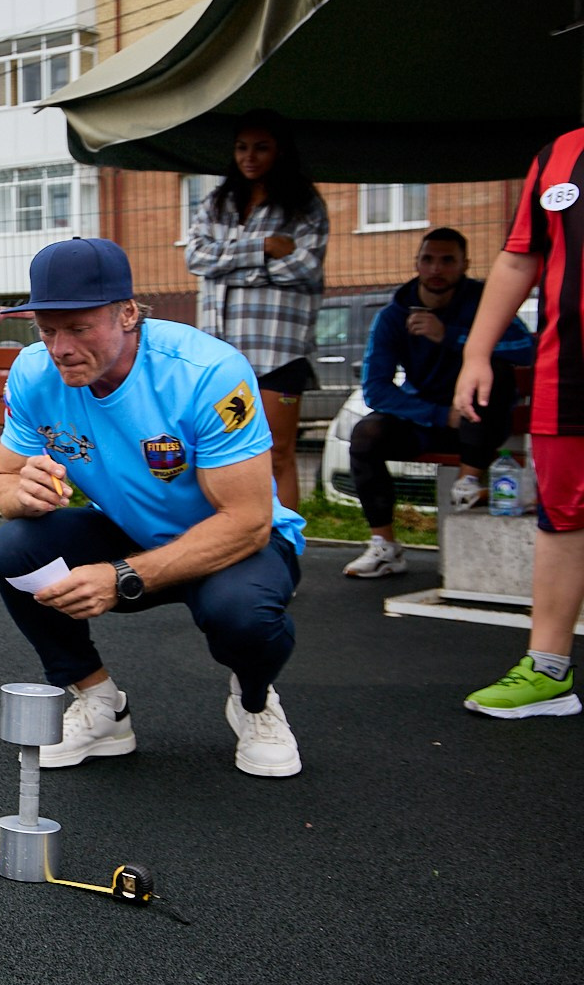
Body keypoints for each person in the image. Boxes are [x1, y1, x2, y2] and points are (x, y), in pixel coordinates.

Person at [0, 237, 308, 778]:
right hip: (130, 530)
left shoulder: (208, 373)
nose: (60, 347)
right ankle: (101, 705)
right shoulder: (34, 372)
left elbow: (249, 521)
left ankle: (255, 703)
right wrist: (20, 495)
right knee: (16, 550)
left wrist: (122, 577)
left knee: (242, 616)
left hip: (235, 543)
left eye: (79, 327)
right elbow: (2, 477)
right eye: (47, 328)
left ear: (128, 313)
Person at [455, 127, 584, 719]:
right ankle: (549, 668)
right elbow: (518, 256)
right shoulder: (558, 154)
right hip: (569, 372)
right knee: (562, 516)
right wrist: (476, 354)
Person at [343, 228, 534, 578]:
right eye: (428, 259)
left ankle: (469, 484)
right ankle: (384, 546)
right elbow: (376, 389)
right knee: (366, 433)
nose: (436, 269)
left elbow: (526, 349)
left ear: (464, 265)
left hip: (481, 421)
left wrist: (450, 337)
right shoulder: (393, 316)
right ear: (417, 263)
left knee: (491, 368)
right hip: (429, 422)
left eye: (447, 260)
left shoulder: (482, 301)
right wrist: (437, 414)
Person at [184, 109, 329, 511]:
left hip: (278, 353)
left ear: (280, 152)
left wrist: (228, 266)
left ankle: (283, 548)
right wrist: (263, 249)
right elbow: (196, 257)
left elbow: (304, 267)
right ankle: (226, 538)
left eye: (261, 148)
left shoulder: (304, 205)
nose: (249, 157)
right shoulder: (218, 202)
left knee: (277, 454)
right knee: (217, 452)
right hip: (219, 354)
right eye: (242, 147)